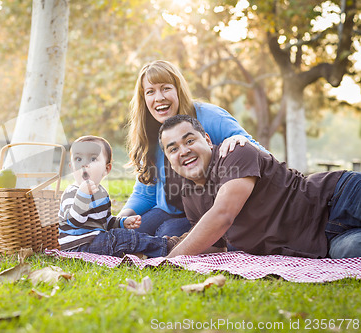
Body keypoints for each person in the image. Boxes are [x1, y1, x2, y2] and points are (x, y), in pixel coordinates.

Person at [159, 114, 361, 259]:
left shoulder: (234, 153)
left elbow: (223, 215)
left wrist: (170, 261)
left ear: (208, 140)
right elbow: (212, 243)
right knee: (353, 250)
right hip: (323, 242)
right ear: (169, 159)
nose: (183, 151)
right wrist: (163, 246)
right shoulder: (188, 193)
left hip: (337, 197)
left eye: (190, 141)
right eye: (173, 149)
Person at [119, 60, 267, 238]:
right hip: (172, 210)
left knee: (165, 232)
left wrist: (241, 140)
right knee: (126, 234)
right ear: (144, 99)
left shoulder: (212, 117)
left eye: (165, 88)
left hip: (213, 208)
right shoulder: (149, 132)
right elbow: (145, 192)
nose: (159, 98)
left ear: (178, 90)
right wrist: (120, 219)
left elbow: (262, 155)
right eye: (150, 92)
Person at [58, 135, 178, 257]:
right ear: (71, 168)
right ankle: (166, 245)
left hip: (96, 241)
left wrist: (122, 222)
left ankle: (150, 249)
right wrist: (83, 195)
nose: (84, 165)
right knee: (123, 238)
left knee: (125, 235)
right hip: (78, 246)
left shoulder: (101, 193)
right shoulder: (72, 193)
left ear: (107, 169)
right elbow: (74, 222)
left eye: (93, 159)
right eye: (78, 159)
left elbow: (106, 222)